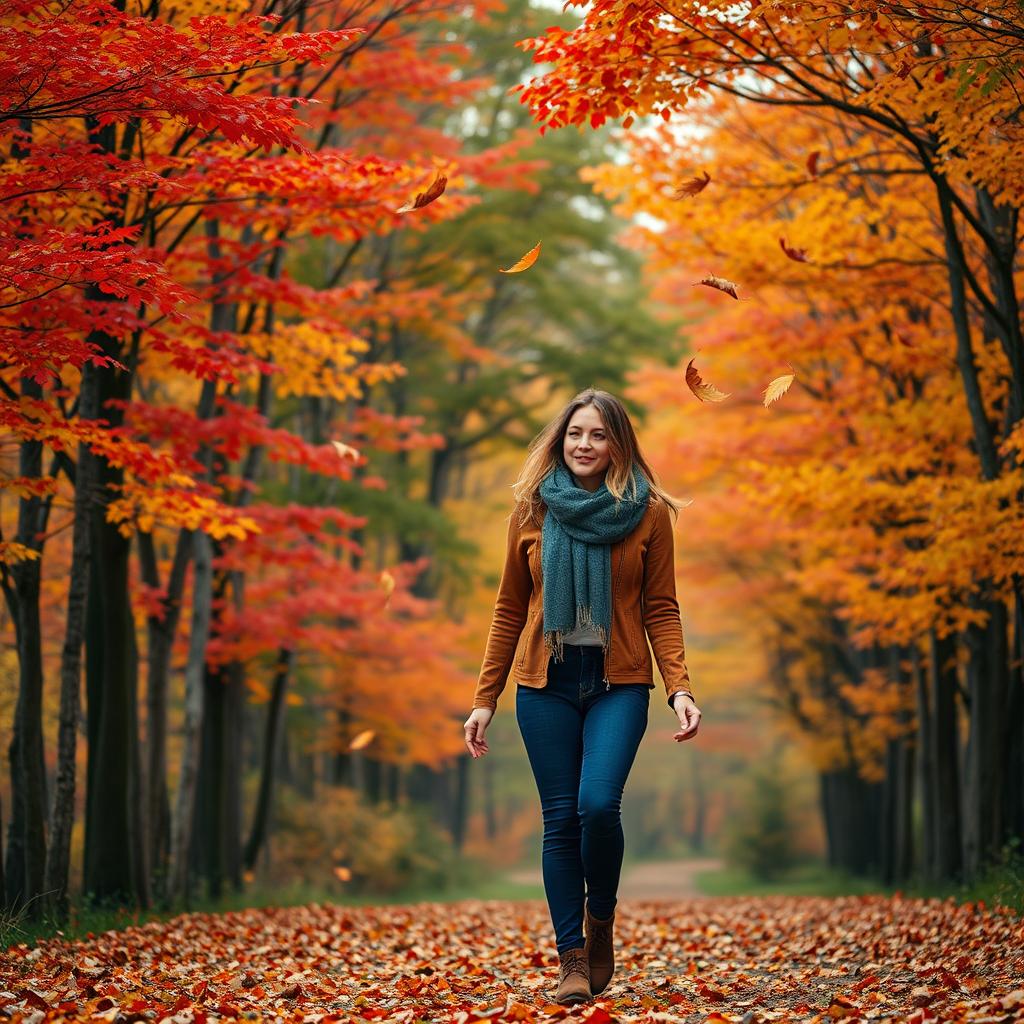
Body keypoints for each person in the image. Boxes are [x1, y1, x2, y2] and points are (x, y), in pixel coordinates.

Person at [463, 388, 702, 1005]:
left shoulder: (648, 514)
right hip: (546, 682)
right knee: (559, 821)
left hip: (618, 681)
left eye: (597, 435)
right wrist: (485, 697)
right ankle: (572, 957)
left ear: (618, 443)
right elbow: (509, 607)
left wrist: (679, 687)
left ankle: (602, 921)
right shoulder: (532, 510)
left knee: (598, 805)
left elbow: (662, 608)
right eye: (575, 434)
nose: (584, 445)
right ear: (560, 440)